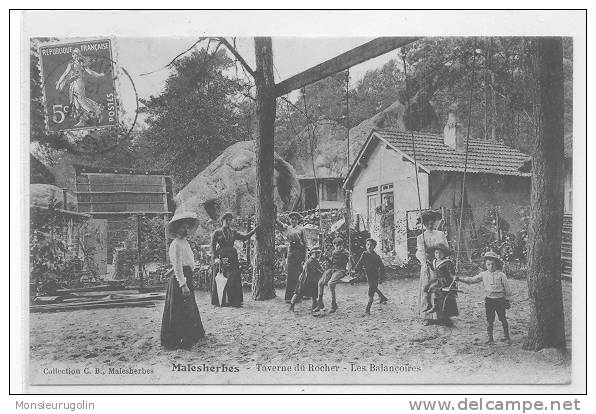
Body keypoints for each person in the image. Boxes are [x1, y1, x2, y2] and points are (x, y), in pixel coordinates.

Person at [161, 212, 205, 350]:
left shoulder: (185, 242)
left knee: (189, 307)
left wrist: (193, 267)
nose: (186, 230)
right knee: (179, 309)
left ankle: (191, 334)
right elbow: (177, 266)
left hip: (187, 275)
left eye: (187, 227)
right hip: (180, 279)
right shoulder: (175, 245)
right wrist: (183, 284)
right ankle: (177, 338)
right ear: (176, 229)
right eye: (183, 228)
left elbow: (188, 261)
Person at [457, 251, 513, 343]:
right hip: (489, 300)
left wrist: (507, 300)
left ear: (497, 264)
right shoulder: (484, 274)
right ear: (485, 265)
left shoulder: (501, 275)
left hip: (500, 300)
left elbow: (507, 288)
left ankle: (506, 335)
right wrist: (460, 279)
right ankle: (490, 338)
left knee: (502, 318)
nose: (491, 266)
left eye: (493, 264)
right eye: (488, 264)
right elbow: (472, 280)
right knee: (490, 319)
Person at [211, 212, 257, 308]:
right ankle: (222, 300)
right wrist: (216, 258)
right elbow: (213, 247)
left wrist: (254, 230)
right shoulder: (217, 232)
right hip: (221, 256)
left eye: (230, 220)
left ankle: (233, 300)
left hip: (232, 256)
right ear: (222, 220)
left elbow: (244, 237)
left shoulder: (233, 232)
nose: (228, 222)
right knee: (222, 276)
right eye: (226, 219)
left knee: (233, 277)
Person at [55, 48, 105, 128]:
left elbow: (90, 72)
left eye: (77, 54)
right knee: (77, 104)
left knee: (82, 101)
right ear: (72, 55)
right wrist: (59, 83)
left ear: (79, 55)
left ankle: (97, 113)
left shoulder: (81, 64)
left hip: (78, 85)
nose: (75, 56)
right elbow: (65, 74)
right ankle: (82, 121)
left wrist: (99, 75)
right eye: (74, 54)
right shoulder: (71, 64)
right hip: (73, 85)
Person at [416, 209, 449, 325]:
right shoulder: (421, 237)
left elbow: (446, 248)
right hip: (428, 265)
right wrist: (425, 261)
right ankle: (427, 316)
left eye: (432, 223)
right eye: (427, 224)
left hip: (440, 264)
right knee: (427, 289)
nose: (430, 226)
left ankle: (442, 315)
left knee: (440, 289)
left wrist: (442, 260)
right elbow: (419, 252)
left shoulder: (440, 234)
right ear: (424, 224)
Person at [423, 244, 459, 326]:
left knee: (439, 293)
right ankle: (430, 305)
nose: (438, 255)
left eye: (440, 253)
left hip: (446, 281)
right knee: (427, 288)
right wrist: (429, 265)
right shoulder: (435, 261)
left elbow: (451, 273)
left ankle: (438, 309)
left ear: (444, 254)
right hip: (437, 280)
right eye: (436, 253)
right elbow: (434, 269)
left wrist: (454, 277)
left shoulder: (447, 262)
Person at [276, 212, 308, 303]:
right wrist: (275, 215)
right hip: (291, 250)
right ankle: (289, 297)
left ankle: (298, 296)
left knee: (298, 274)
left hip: (299, 250)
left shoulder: (301, 229)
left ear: (298, 220)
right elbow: (279, 224)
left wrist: (305, 256)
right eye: (292, 219)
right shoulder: (287, 227)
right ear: (290, 220)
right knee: (290, 274)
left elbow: (305, 243)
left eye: (295, 219)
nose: (293, 220)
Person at [313, 237, 350, 313]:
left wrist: (347, 257)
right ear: (334, 245)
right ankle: (320, 303)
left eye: (340, 245)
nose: (338, 247)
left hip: (341, 270)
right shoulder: (334, 252)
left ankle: (334, 305)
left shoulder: (345, 252)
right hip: (333, 270)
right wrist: (326, 258)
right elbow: (332, 263)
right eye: (336, 245)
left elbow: (347, 262)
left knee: (330, 284)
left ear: (342, 245)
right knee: (320, 283)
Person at [354, 238, 388, 315]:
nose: (369, 246)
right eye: (368, 244)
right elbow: (360, 263)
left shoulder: (376, 256)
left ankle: (367, 310)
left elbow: (382, 267)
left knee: (371, 290)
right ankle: (382, 297)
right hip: (367, 274)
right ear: (366, 246)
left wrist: (381, 277)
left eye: (371, 245)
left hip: (375, 275)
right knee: (373, 287)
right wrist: (355, 270)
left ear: (374, 247)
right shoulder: (364, 254)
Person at [289, 246, 324, 312]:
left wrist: (323, 271)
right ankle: (291, 306)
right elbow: (315, 270)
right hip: (304, 280)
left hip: (311, 280)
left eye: (318, 253)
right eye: (316, 253)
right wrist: (321, 272)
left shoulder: (315, 261)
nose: (318, 255)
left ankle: (314, 305)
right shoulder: (310, 261)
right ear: (312, 254)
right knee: (298, 292)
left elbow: (319, 269)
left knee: (314, 292)